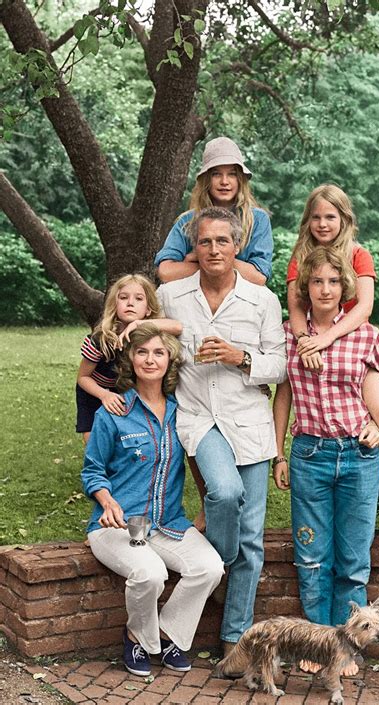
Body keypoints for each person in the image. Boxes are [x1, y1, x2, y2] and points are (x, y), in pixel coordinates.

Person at [157, 206, 286, 657]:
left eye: (223, 242)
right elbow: (143, 338)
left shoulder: (261, 300)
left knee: (252, 541)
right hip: (197, 417)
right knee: (225, 493)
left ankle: (235, 640)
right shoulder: (171, 295)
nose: (214, 249)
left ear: (237, 248)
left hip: (248, 421)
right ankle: (217, 564)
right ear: (195, 247)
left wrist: (241, 358)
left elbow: (281, 365)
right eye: (205, 242)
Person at [273, 246, 379, 675]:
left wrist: (375, 425)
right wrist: (278, 454)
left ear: (344, 286)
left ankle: (346, 649)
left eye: (333, 281)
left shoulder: (365, 334)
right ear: (304, 288)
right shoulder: (289, 334)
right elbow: (285, 393)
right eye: (316, 282)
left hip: (359, 459)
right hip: (309, 454)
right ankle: (317, 643)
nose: (325, 289)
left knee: (352, 557)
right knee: (312, 556)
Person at [81, 323, 224, 677]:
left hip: (167, 523)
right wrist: (107, 502)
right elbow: (92, 471)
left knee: (210, 568)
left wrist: (205, 505)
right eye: (142, 352)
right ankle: (136, 636)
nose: (150, 359)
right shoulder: (113, 412)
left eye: (159, 352)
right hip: (117, 525)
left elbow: (198, 463)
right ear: (130, 359)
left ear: (169, 360)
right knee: (150, 574)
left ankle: (166, 634)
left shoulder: (182, 413)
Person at [287, 184, 379, 553]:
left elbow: (364, 308)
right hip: (317, 341)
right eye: (316, 217)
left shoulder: (358, 255)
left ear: (344, 219)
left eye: (331, 216)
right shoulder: (300, 258)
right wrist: (304, 340)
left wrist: (325, 340)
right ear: (307, 221)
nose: (323, 224)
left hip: (353, 343)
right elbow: (295, 308)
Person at [76, 273, 182, 443]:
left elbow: (177, 326)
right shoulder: (101, 339)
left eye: (139, 299)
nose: (130, 303)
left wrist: (138, 324)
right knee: (96, 442)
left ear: (148, 309)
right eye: (123, 297)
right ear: (114, 304)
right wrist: (104, 395)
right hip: (96, 391)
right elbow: (83, 377)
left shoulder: (148, 335)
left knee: (127, 438)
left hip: (126, 388)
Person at [154, 136, 273, 286]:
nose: (224, 181)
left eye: (232, 174)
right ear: (206, 179)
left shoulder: (257, 219)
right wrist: (213, 262)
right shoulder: (187, 221)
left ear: (240, 179)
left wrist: (201, 257)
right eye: (216, 174)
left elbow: (259, 277)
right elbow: (166, 272)